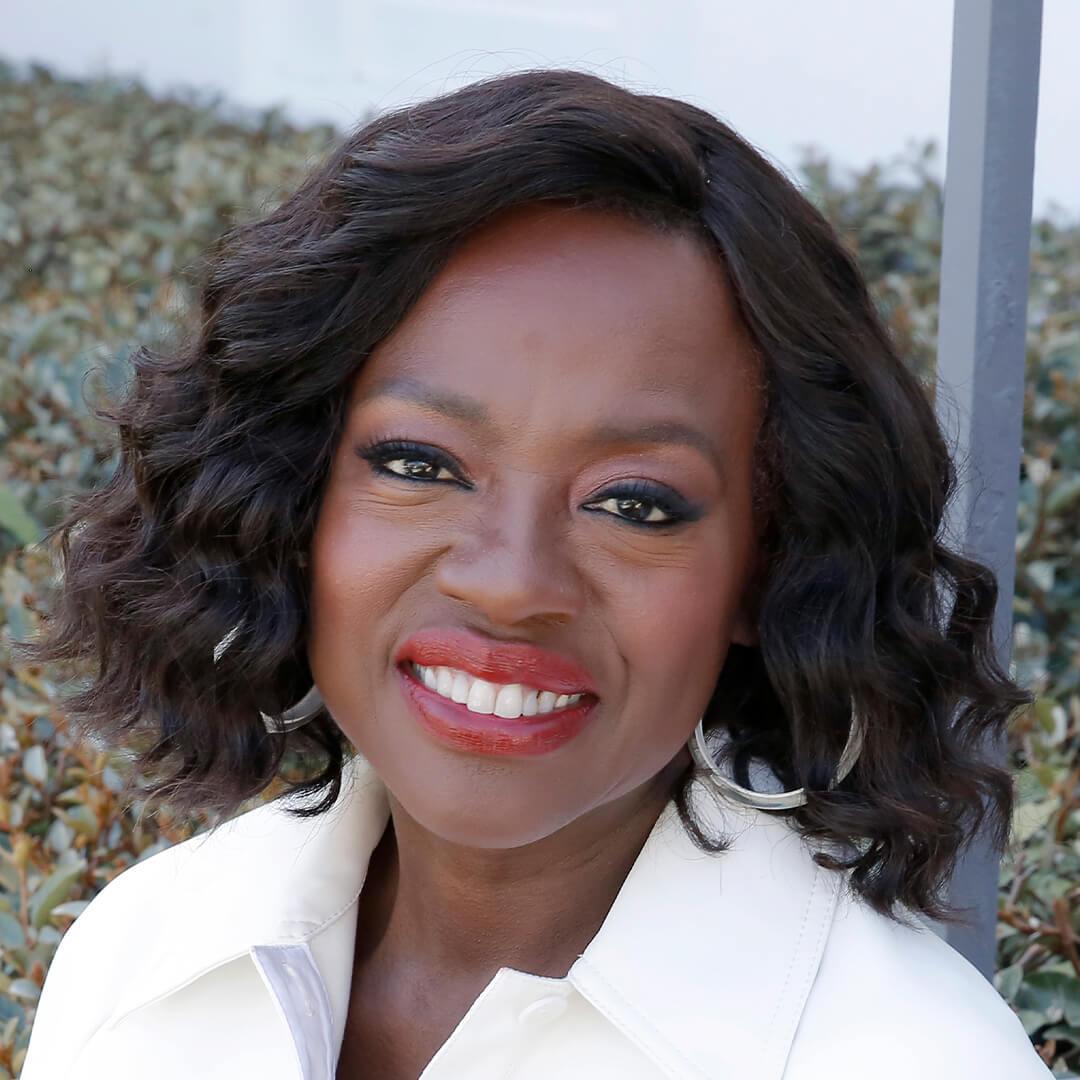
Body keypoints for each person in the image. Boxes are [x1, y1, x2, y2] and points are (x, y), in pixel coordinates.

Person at [19, 69, 1052, 1079]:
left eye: (635, 503)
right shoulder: (139, 960)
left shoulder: (912, 1059)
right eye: (419, 465)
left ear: (769, 567)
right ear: (294, 502)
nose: (511, 583)